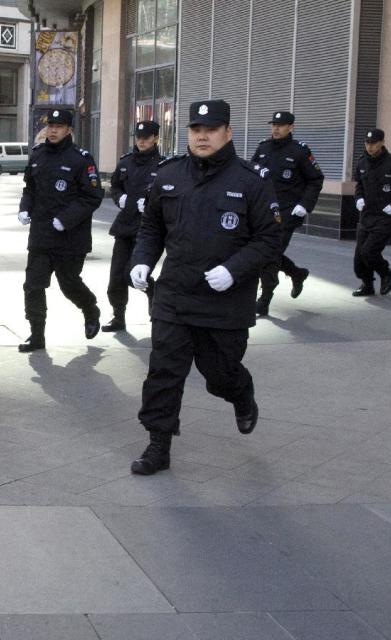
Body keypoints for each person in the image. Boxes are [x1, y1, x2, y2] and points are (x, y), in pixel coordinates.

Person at [128, 99, 280, 476]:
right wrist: (143, 260)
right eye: (195, 130)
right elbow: (152, 228)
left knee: (219, 375)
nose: (202, 136)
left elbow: (268, 239)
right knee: (164, 371)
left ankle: (241, 393)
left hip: (225, 302)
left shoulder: (250, 181)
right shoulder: (169, 175)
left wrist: (234, 269)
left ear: (227, 133)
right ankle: (157, 446)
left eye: (210, 130)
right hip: (175, 296)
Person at [17, 108, 103, 352]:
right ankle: (36, 335)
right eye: (50, 125)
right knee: (33, 285)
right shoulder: (37, 155)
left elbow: (92, 195)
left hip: (70, 237)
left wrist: (66, 219)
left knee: (69, 283)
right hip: (41, 235)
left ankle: (90, 308)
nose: (52, 130)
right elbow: (29, 188)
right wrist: (25, 208)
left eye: (58, 126)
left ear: (69, 130)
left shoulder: (81, 159)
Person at [250, 111, 323, 315]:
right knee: (265, 252)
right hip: (262, 212)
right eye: (273, 124)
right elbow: (251, 174)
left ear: (291, 127)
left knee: (270, 255)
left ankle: (264, 299)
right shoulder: (263, 148)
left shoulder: (299, 151)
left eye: (281, 125)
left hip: (286, 213)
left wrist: (304, 205)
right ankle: (296, 273)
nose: (276, 128)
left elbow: (316, 179)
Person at [103, 120, 160, 332]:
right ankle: (118, 316)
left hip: (146, 228)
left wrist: (151, 204)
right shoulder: (126, 162)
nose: (142, 141)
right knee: (116, 276)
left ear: (155, 138)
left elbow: (168, 194)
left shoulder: (162, 166)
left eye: (146, 137)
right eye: (139, 137)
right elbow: (115, 186)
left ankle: (152, 290)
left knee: (132, 274)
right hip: (125, 226)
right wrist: (121, 198)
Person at [351, 128, 391, 297]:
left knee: (369, 251)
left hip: (385, 217)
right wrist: (358, 198)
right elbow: (359, 185)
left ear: (382, 143)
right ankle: (367, 285)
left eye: (373, 143)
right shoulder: (362, 162)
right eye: (367, 143)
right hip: (366, 215)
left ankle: (386, 273)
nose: (370, 147)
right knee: (359, 259)